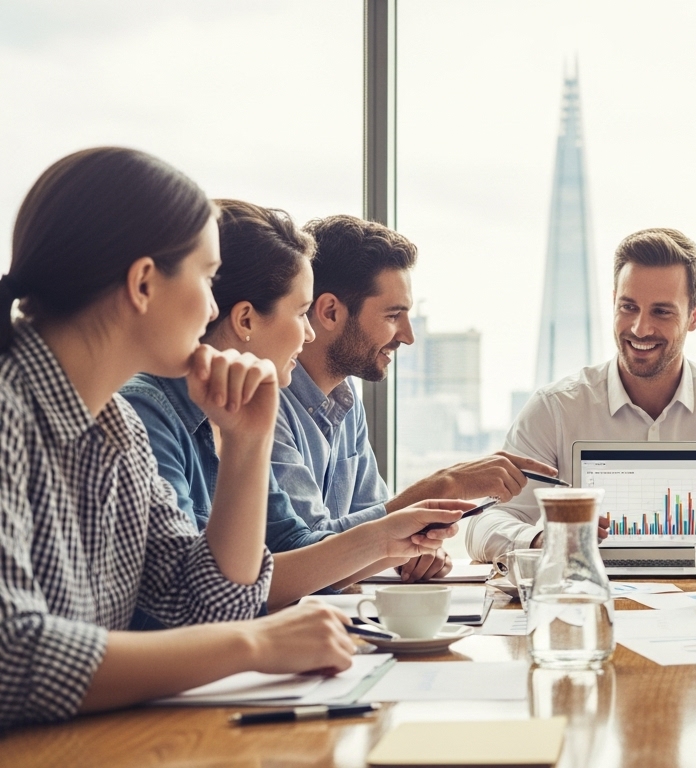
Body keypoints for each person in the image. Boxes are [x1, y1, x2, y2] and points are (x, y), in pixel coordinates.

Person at [0, 148, 446, 728]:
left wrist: (247, 444)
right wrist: (257, 645)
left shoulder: (117, 431)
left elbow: (208, 604)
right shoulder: (13, 413)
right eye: (208, 276)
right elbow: (14, 657)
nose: (215, 303)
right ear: (143, 283)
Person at [121, 200, 479, 609]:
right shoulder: (146, 413)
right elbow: (196, 601)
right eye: (301, 313)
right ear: (245, 321)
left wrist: (393, 536)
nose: (308, 335)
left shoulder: (240, 411)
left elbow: (288, 545)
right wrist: (391, 529)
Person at [464, 227, 696, 565]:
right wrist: (546, 539)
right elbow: (485, 525)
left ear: (695, 316)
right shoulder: (556, 409)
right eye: (628, 307)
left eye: (661, 312)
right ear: (613, 302)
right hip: (591, 600)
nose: (640, 328)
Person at [277, 214, 553, 581]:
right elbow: (307, 557)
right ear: (330, 312)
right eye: (394, 316)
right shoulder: (268, 406)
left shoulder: (346, 401)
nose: (408, 336)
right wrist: (444, 487)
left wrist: (407, 551)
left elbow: (370, 530)